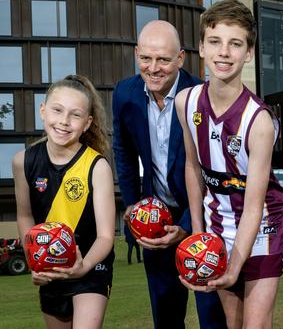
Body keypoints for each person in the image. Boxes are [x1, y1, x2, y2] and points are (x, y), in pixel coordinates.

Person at [176, 0, 283, 329]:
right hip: (218, 225)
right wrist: (197, 234)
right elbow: (192, 168)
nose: (224, 52)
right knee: (234, 323)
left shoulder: (260, 122)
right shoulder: (186, 102)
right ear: (201, 47)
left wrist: (235, 264)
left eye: (235, 44)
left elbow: (254, 206)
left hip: (262, 227)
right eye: (215, 42)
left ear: (248, 52)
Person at [112, 20, 224, 328]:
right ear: (136, 54)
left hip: (204, 220)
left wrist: (188, 224)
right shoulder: (125, 93)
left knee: (212, 316)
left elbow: (215, 170)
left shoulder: (204, 96)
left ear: (181, 58)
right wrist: (134, 204)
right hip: (156, 225)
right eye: (146, 58)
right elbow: (122, 150)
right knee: (166, 317)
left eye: (163, 59)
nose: (153, 68)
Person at [13, 74, 115, 328]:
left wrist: (85, 265)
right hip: (50, 270)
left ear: (87, 123)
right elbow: (25, 215)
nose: (64, 121)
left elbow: (105, 236)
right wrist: (32, 259)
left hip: (91, 267)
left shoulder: (97, 165)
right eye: (57, 110)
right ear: (43, 110)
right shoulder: (22, 161)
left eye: (75, 115)